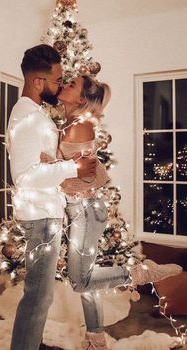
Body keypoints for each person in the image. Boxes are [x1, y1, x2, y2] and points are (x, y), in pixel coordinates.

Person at [56, 75, 182, 350]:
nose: (64, 84)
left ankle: (137, 273)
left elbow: (82, 177)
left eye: (71, 84)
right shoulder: (73, 124)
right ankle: (96, 339)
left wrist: (48, 167)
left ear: (80, 99)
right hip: (84, 208)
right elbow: (95, 173)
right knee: (87, 281)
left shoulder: (76, 127)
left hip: (84, 211)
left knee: (80, 281)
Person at [6, 44, 97, 350]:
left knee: (39, 293)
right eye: (57, 80)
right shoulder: (27, 118)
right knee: (39, 295)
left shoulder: (34, 114)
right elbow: (25, 176)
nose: (60, 86)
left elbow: (39, 166)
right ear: (37, 82)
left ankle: (32, 342)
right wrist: (75, 166)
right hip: (41, 216)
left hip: (47, 212)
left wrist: (58, 165)